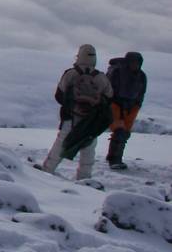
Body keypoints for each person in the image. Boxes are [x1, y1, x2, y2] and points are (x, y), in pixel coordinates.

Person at [39, 44, 114, 179]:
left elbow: (59, 96)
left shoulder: (71, 73)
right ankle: (84, 177)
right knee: (88, 147)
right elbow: (109, 98)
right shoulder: (101, 77)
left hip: (70, 117)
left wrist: (72, 105)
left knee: (61, 143)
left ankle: (47, 170)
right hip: (91, 120)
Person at [105, 51, 147, 170]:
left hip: (132, 106)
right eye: (133, 62)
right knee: (119, 130)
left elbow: (141, 93)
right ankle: (114, 160)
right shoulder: (117, 71)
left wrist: (137, 105)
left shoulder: (142, 76)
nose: (135, 65)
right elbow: (109, 89)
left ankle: (114, 157)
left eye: (138, 63)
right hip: (115, 104)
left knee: (125, 133)